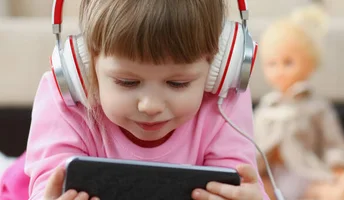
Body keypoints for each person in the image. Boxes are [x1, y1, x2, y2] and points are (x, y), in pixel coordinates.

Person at [2, 0, 267, 199]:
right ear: (85, 66)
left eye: (178, 83)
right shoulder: (65, 98)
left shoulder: (224, 100)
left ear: (217, 69)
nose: (150, 106)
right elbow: (48, 187)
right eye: (127, 82)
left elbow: (239, 184)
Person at [253, 4, 344, 200]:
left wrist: (337, 164)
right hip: (273, 178)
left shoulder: (316, 106)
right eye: (272, 63)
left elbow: (334, 142)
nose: (279, 69)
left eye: (288, 62)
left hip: (309, 176)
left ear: (309, 63)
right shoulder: (265, 108)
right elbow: (252, 146)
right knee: (253, 186)